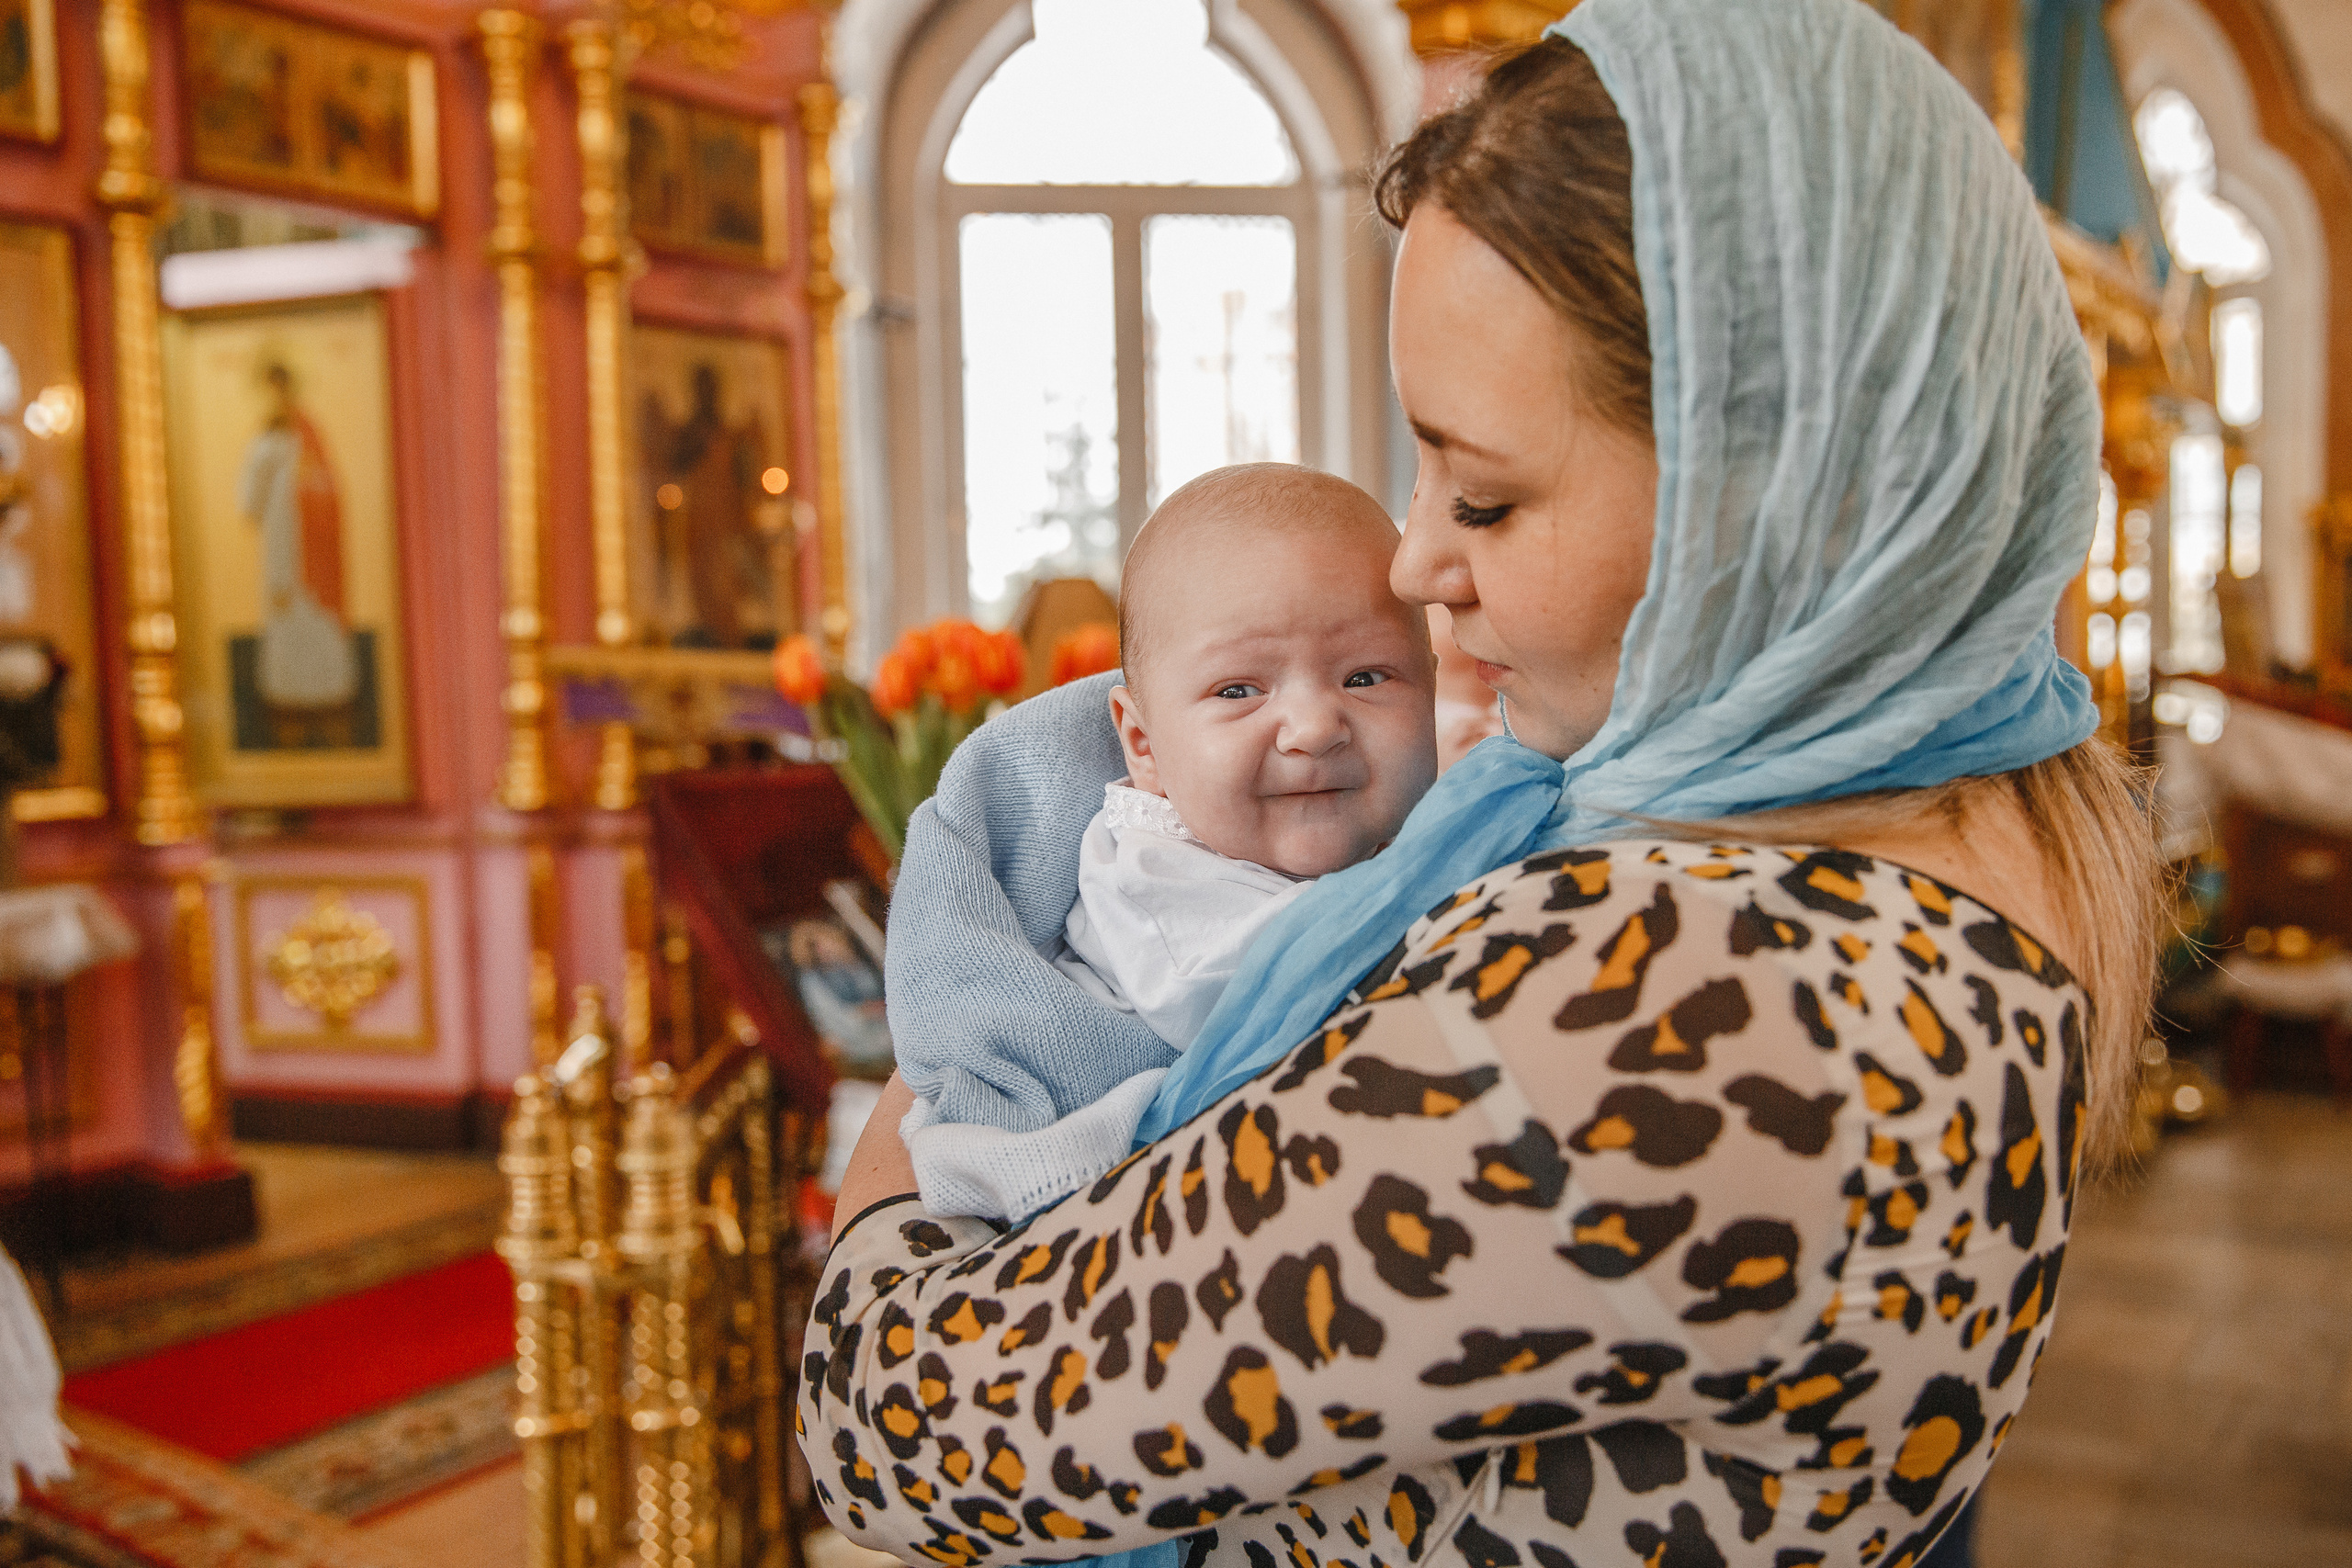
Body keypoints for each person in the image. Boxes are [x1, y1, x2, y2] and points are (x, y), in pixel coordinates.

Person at [807, 2, 2164, 1563]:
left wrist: (912, 1140)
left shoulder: (1689, 995)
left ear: (1779, 490)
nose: (1414, 558)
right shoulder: (1964, 833)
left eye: (1490, 494)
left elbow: (908, 1426)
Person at [896, 465, 1439, 1222]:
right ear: (1143, 744)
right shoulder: (1151, 867)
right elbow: (1260, 992)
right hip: (1086, 1179)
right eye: (1240, 690)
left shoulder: (1389, 831)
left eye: (1367, 675)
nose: (1315, 726)